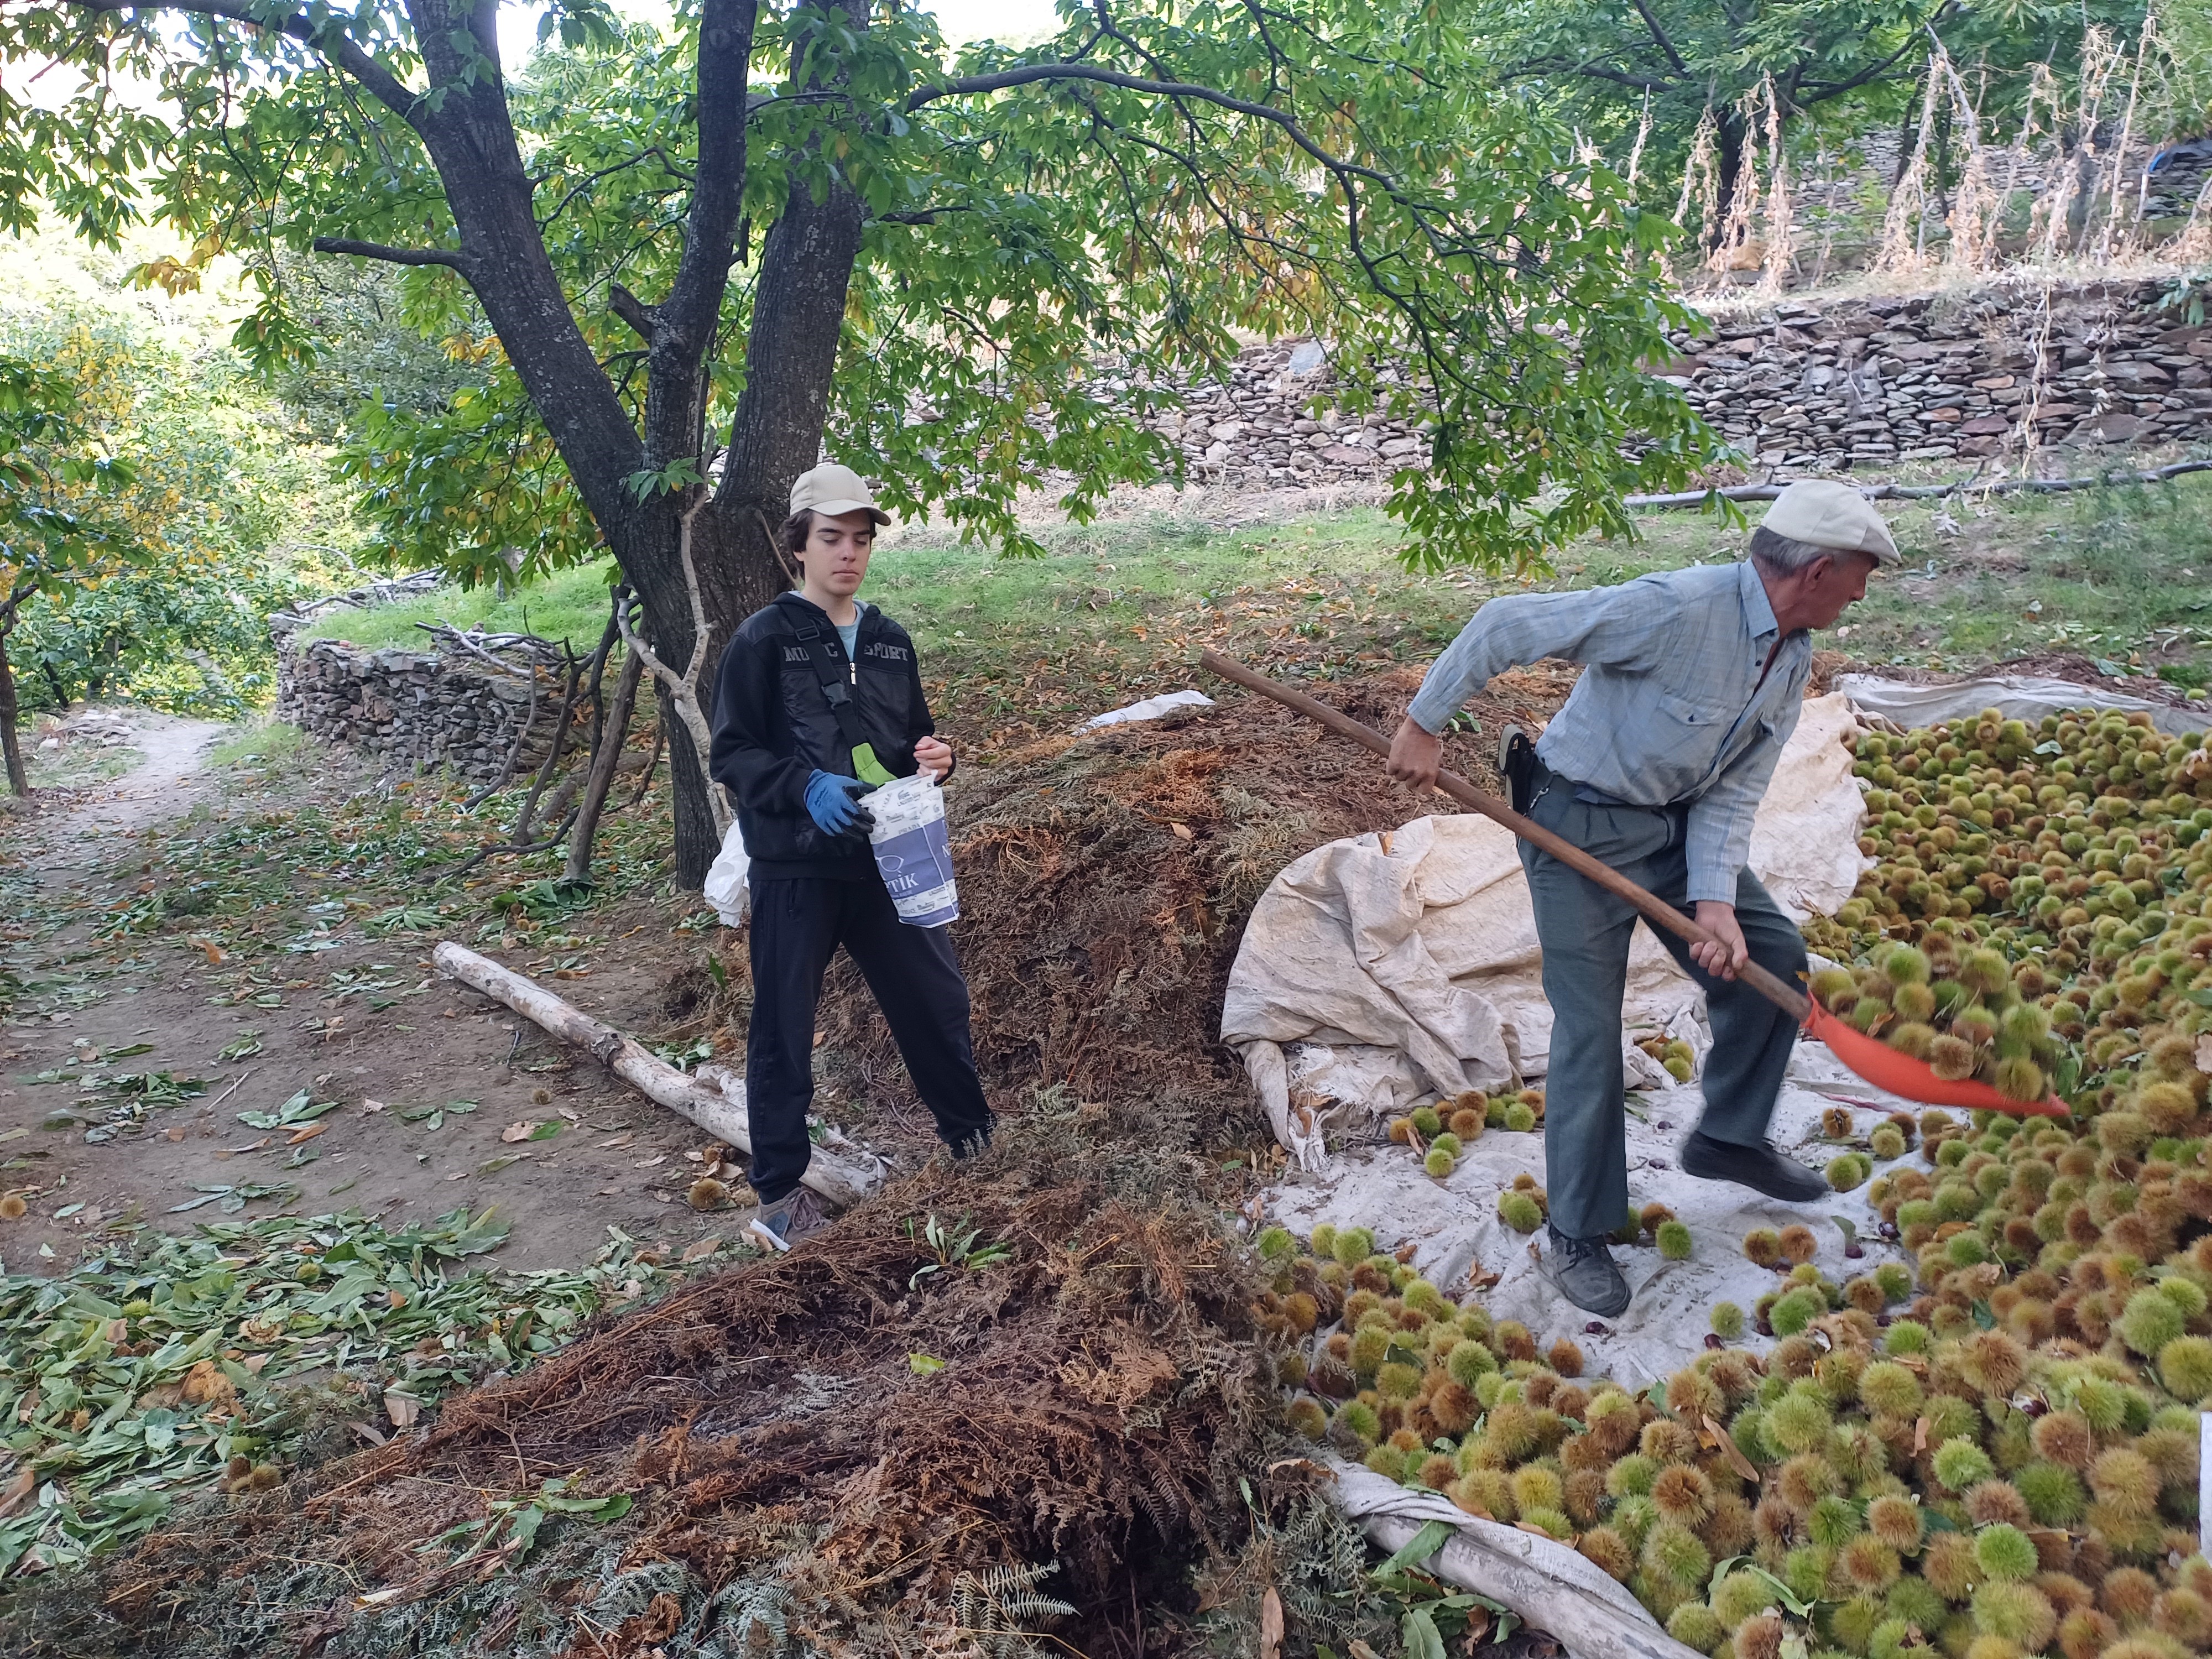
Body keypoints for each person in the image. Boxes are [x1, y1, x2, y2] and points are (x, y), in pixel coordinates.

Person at [1385, 481, 1896, 1317]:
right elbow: (1506, 623)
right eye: (1861, 575)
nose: (1864, 592)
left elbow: (1733, 792)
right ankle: (1579, 1231)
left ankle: (1728, 1136)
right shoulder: (1675, 608)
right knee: (1591, 1028)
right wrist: (1424, 721)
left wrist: (1716, 901)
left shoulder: (1792, 654)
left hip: (1674, 826)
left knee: (1771, 956)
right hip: (1574, 822)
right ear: (1819, 570)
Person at [709, 461, 995, 1251]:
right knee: (784, 1026)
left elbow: (912, 744)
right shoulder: (762, 641)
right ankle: (778, 1197)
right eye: (832, 538)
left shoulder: (891, 642)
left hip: (889, 861)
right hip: (797, 865)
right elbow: (732, 754)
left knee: (936, 1003)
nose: (849, 554)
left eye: (861, 540)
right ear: (799, 545)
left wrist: (936, 758)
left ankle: (977, 1149)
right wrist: (803, 789)